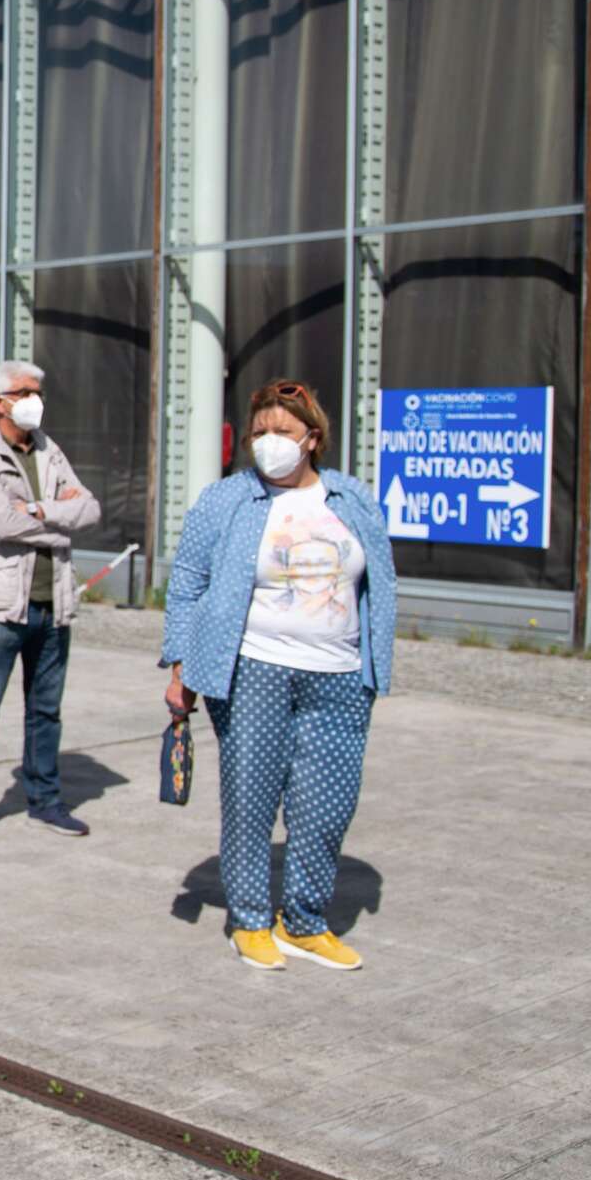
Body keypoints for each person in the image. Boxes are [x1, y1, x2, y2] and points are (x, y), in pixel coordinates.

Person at [161, 379, 396, 972]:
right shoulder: (227, 499)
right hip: (254, 671)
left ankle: (306, 921)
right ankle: (250, 920)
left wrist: (377, 663)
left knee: (327, 807)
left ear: (312, 438)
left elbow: (381, 581)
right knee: (251, 800)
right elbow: (188, 583)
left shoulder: (351, 498)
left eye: (283, 432)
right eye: (260, 432)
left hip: (340, 675)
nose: (269, 442)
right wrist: (180, 665)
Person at [0, 359, 102, 847]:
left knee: (46, 711)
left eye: (38, 392)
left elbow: (91, 509)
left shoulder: (48, 450)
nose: (35, 400)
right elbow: (1, 524)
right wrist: (61, 519)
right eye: (25, 392)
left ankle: (46, 801)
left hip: (53, 601)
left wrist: (37, 509)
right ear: (0, 402)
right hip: (2, 607)